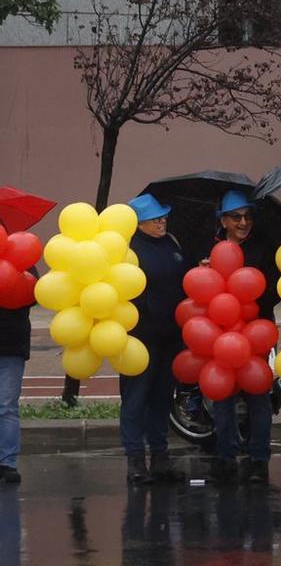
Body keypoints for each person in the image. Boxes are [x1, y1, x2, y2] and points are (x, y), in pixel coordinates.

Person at [207, 189, 281, 484]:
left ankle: (258, 460)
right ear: (223, 220)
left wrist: (251, 291)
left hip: (256, 330)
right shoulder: (210, 247)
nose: (244, 222)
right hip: (219, 331)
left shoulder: (263, 246)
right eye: (236, 217)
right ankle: (225, 457)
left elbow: (275, 288)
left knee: (258, 394)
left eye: (248, 216)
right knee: (222, 394)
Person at [123, 194, 190, 484]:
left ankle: (160, 459)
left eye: (163, 215)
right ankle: (135, 462)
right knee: (136, 399)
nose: (162, 220)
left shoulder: (171, 243)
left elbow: (183, 279)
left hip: (170, 336)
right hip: (139, 339)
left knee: (163, 399)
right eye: (155, 217)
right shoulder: (129, 251)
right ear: (138, 223)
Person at [0, 262, 26, 487]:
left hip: (10, 345)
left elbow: (33, 294)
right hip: (13, 344)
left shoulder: (21, 260)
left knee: (7, 406)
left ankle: (8, 463)